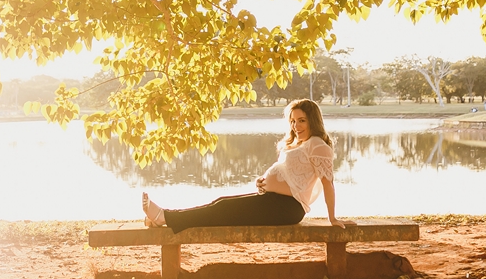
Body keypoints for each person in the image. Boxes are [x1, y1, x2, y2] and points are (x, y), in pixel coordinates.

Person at [142, 99, 357, 234]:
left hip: (288, 209)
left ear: (313, 120)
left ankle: (165, 217)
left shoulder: (318, 145)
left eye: (301, 120)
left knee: (223, 209)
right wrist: (265, 183)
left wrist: (332, 218)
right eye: (292, 121)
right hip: (274, 201)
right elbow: (290, 174)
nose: (296, 126)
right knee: (221, 202)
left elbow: (328, 184)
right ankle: (165, 219)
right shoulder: (299, 143)